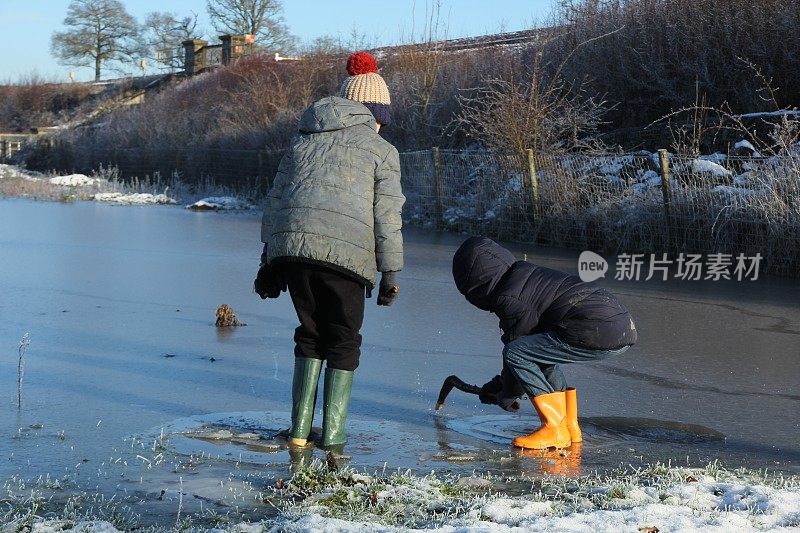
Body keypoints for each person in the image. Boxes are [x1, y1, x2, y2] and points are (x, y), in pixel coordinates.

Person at [254, 51, 405, 449]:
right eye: (381, 118)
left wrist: (269, 260)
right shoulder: (382, 151)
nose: (380, 125)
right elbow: (387, 216)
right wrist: (391, 273)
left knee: (310, 334)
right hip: (347, 259)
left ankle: (300, 436)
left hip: (294, 254)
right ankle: (334, 438)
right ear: (376, 114)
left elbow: (275, 200)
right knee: (342, 339)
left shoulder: (302, 140)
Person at [452, 236, 637, 449]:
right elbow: (530, 352)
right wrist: (501, 386)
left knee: (516, 353)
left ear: (477, 283)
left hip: (598, 328)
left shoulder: (510, 297)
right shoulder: (525, 277)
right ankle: (569, 427)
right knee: (540, 353)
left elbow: (515, 350)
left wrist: (505, 395)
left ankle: (553, 428)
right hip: (620, 325)